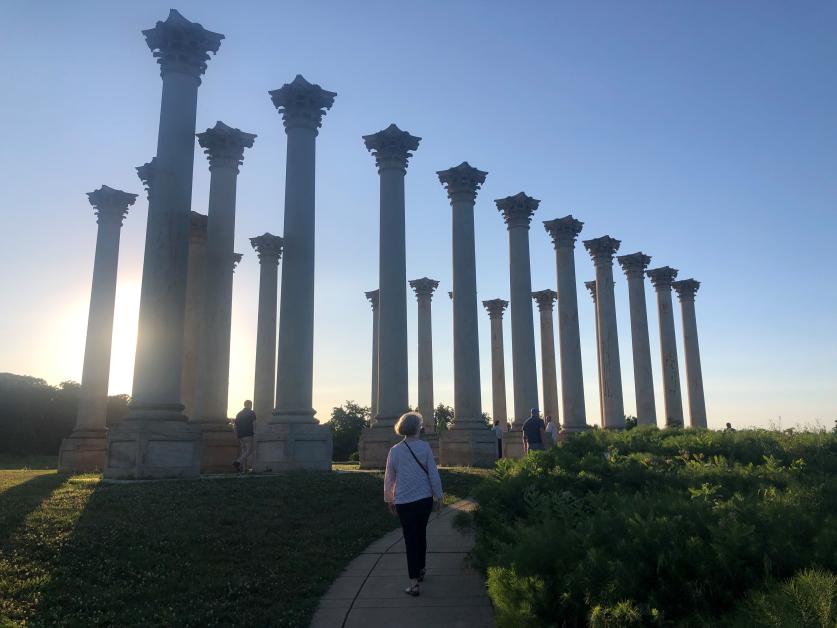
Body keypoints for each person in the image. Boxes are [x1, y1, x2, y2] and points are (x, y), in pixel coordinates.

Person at [384, 411, 444, 597]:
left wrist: (389, 499)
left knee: (411, 540)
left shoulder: (395, 450)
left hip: (404, 501)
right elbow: (433, 474)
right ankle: (422, 568)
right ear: (418, 427)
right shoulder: (425, 447)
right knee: (420, 535)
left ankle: (414, 583)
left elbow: (389, 478)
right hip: (424, 499)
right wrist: (439, 496)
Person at [233, 400, 256, 472]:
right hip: (248, 434)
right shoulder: (251, 413)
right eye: (251, 405)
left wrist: (236, 435)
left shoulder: (239, 414)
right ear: (250, 405)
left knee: (244, 452)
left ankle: (244, 469)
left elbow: (235, 425)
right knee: (249, 450)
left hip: (240, 435)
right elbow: (254, 424)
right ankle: (237, 462)